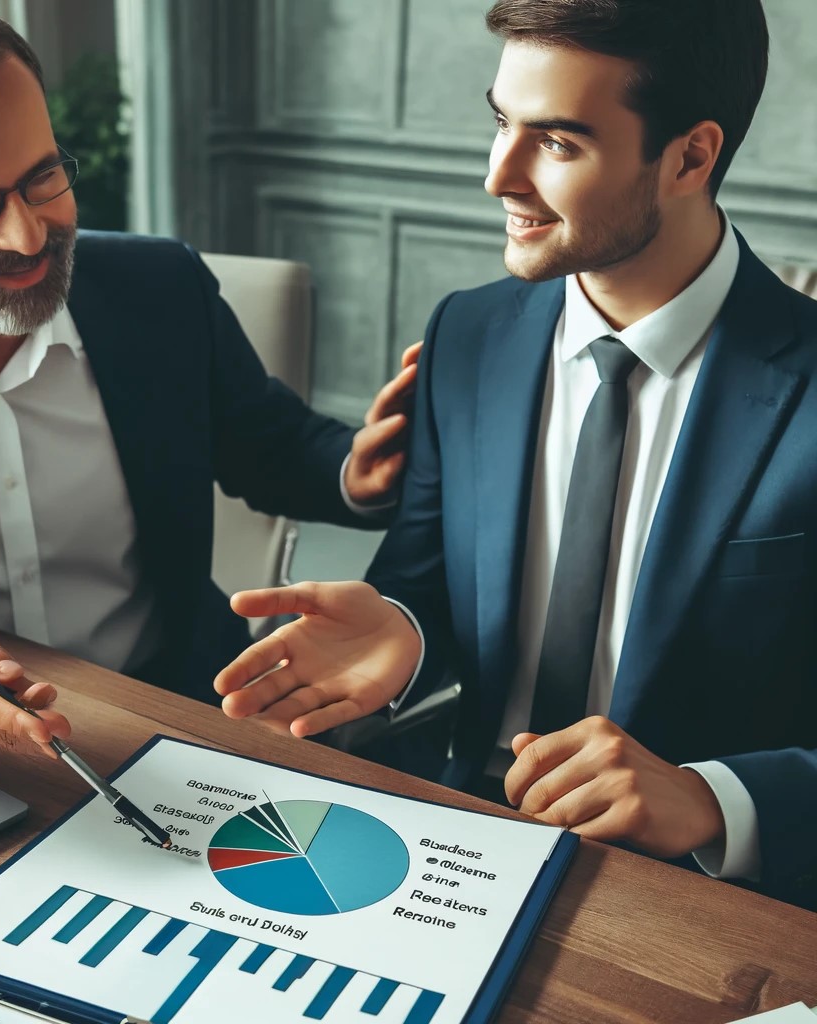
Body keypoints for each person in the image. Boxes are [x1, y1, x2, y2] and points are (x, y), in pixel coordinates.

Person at [215, 0, 817, 909]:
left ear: (691, 156)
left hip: (708, 901)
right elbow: (423, 584)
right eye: (502, 122)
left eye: (560, 143)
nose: (500, 174)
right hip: (453, 838)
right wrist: (406, 631)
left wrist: (712, 799)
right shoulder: (469, 333)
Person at [0, 2, 420, 757]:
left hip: (179, 710)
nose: (26, 236)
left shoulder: (162, 286)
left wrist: (358, 469)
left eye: (43, 177)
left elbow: (270, 445)